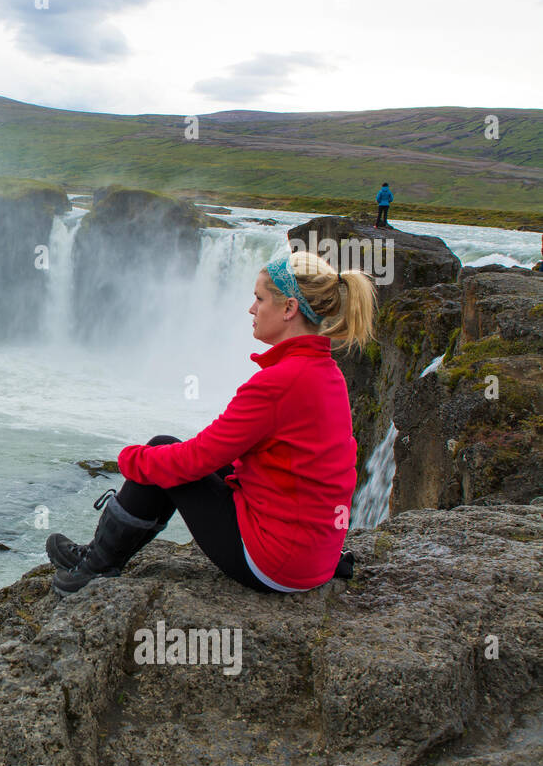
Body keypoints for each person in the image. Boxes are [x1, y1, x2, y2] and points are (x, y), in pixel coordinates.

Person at [48, 250, 378, 596]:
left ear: (289, 308)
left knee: (162, 454)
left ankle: (95, 567)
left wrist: (129, 459)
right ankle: (99, 553)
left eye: (259, 298)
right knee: (172, 452)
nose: (251, 309)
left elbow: (197, 459)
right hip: (314, 556)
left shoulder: (279, 383)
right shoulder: (327, 373)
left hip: (277, 564)